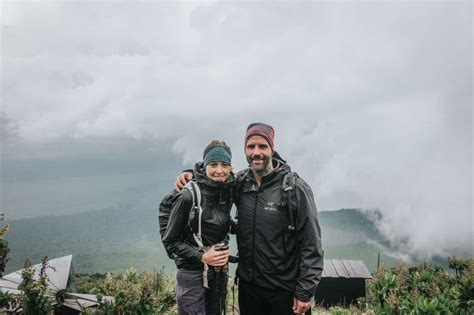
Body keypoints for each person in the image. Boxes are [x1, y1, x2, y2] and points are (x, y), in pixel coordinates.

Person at [176, 123, 324, 315]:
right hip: (249, 288)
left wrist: (305, 291)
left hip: (284, 290)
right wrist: (189, 174)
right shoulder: (240, 183)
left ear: (272, 148)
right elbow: (214, 181)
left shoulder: (294, 189)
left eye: (262, 146)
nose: (256, 152)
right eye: (250, 146)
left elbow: (311, 244)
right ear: (245, 149)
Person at [161, 140, 235, 315]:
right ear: (205, 165)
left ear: (231, 167)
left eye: (224, 164)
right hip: (191, 274)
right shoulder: (187, 196)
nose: (219, 170)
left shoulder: (228, 188)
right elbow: (170, 241)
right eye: (213, 164)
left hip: (216, 273)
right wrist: (203, 257)